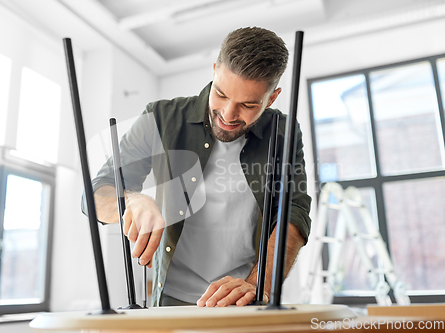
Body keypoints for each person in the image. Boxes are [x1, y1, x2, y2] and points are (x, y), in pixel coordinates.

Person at [87, 27, 311, 307]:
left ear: (272, 98)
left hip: (243, 298)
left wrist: (256, 285)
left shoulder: (283, 132)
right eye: (221, 93)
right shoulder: (160, 117)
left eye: (248, 104)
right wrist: (131, 199)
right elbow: (95, 194)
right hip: (171, 299)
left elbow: (293, 213)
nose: (228, 115)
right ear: (215, 70)